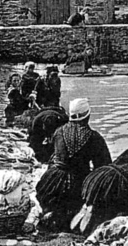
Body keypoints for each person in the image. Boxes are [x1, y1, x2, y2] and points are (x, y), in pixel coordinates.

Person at [36, 98, 112, 230]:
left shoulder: (58, 132)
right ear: (87, 117)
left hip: (53, 181)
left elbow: (52, 154)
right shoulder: (94, 138)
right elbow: (104, 166)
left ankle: (54, 213)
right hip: (78, 182)